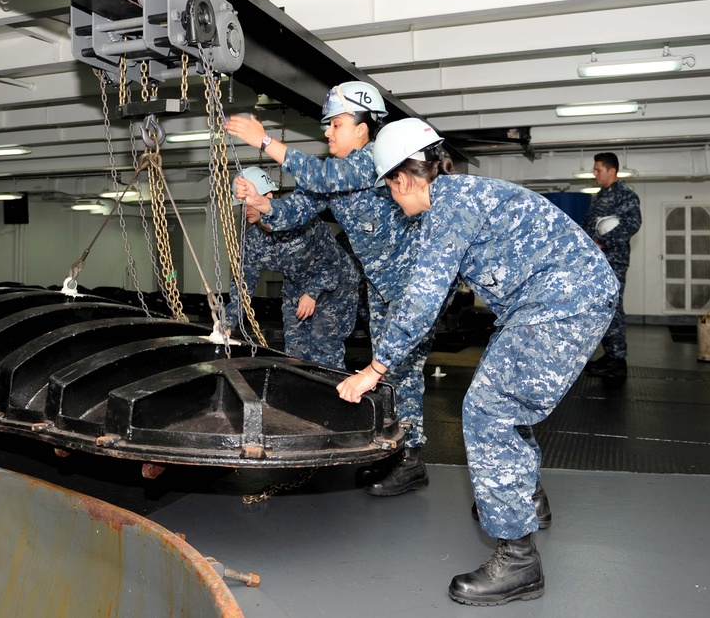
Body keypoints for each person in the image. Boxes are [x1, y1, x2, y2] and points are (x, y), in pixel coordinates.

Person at [336, 118, 617, 605]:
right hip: (563, 297)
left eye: (389, 190)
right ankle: (526, 499)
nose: (393, 202)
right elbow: (437, 292)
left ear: (403, 178)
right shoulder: (459, 197)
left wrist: (374, 370)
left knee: (489, 408)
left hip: (561, 303)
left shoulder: (449, 207)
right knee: (508, 399)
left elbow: (423, 301)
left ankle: (519, 560)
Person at [225, 81, 434, 497]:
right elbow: (293, 211)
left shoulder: (374, 159)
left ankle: (411, 459)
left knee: (404, 370)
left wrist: (265, 140)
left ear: (362, 129)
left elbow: (323, 175)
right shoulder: (333, 174)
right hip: (379, 283)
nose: (327, 132)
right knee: (388, 366)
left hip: (412, 280)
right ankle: (395, 449)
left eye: (336, 124)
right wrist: (261, 202)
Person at [224, 166, 360, 369]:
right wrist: (227, 323)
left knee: (324, 348)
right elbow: (244, 283)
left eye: (248, 203)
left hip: (337, 286)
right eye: (241, 205)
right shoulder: (253, 240)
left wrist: (312, 293)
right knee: (295, 353)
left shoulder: (302, 222)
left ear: (268, 196)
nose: (245, 210)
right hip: (297, 288)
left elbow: (332, 264)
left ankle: (329, 397)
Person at [581, 152, 642, 378]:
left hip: (614, 261)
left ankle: (618, 360)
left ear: (611, 171)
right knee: (602, 307)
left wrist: (602, 242)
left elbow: (632, 224)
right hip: (597, 261)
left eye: (598, 170)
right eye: (594, 170)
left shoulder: (626, 196)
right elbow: (588, 225)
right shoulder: (599, 197)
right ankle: (610, 354)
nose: (594, 174)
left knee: (613, 306)